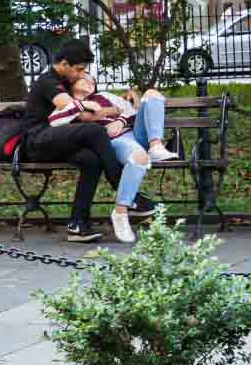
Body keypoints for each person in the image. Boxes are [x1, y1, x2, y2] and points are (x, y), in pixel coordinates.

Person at [21, 39, 152, 243]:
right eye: (79, 70)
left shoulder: (65, 81)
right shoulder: (48, 81)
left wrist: (120, 102)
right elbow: (75, 109)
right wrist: (104, 108)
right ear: (64, 64)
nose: (81, 74)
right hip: (38, 141)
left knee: (92, 160)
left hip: (59, 140)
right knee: (94, 131)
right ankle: (123, 188)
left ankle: (77, 224)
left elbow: (94, 103)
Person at [48, 76, 177, 242]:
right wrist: (81, 105)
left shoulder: (105, 95)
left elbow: (132, 109)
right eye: (84, 78)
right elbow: (54, 121)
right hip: (114, 142)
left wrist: (121, 121)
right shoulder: (69, 103)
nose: (90, 82)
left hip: (134, 132)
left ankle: (156, 145)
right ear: (72, 84)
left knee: (152, 94)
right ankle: (121, 212)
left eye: (92, 80)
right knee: (139, 158)